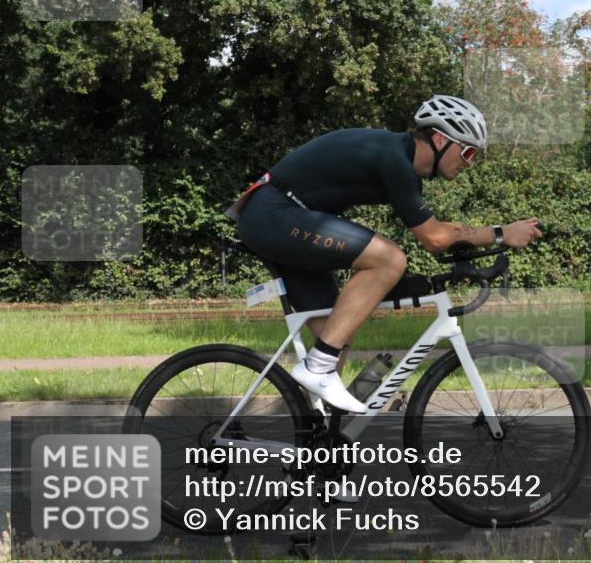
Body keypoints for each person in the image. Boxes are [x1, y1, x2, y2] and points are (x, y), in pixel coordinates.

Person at [230, 95, 542, 414]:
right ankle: (316, 368)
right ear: (440, 139)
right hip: (273, 214)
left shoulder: (400, 162)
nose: (469, 161)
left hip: (280, 217)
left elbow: (435, 235)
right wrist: (502, 232)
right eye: (468, 150)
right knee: (388, 259)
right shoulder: (393, 157)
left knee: (339, 332)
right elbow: (433, 237)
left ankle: (320, 446)